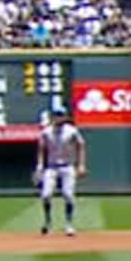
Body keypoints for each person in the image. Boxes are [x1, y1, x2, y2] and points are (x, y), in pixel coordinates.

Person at [33, 101, 85, 236]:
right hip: (51, 167)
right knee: (46, 195)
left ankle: (69, 224)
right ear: (52, 117)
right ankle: (48, 222)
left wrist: (81, 164)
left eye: (61, 115)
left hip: (67, 167)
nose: (59, 118)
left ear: (65, 116)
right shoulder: (46, 132)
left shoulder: (71, 131)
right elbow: (41, 149)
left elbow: (81, 145)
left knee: (68, 195)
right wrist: (39, 167)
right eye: (56, 115)